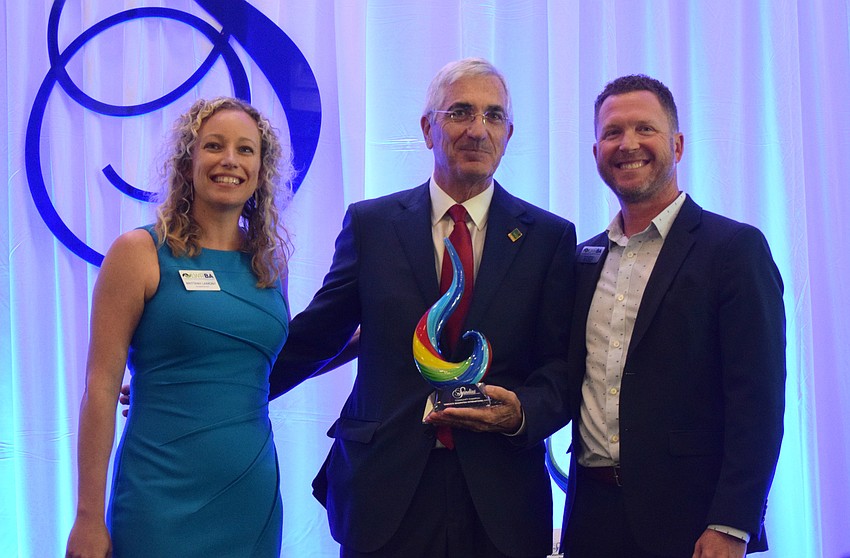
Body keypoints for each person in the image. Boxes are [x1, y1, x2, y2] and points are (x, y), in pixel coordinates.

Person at [269, 58, 576, 557]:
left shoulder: (549, 238)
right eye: (460, 112)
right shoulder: (372, 225)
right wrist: (220, 388)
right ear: (427, 128)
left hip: (501, 496)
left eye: (493, 116)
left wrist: (523, 412)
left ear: (510, 133)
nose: (478, 130)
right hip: (385, 491)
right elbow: (317, 335)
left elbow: (561, 366)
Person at [559, 75, 786, 558]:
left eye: (645, 129)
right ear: (596, 150)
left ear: (677, 144)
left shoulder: (733, 250)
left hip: (692, 524)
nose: (628, 144)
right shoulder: (582, 260)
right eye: (613, 132)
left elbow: (758, 401)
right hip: (591, 519)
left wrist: (732, 522)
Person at [65, 97, 294, 558]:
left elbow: (260, 366)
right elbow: (101, 387)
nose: (230, 160)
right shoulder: (137, 253)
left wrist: (371, 336)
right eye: (214, 145)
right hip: (158, 494)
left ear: (261, 169)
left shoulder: (269, 264)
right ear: (188, 159)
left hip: (250, 494)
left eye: (246, 150)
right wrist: (88, 516)